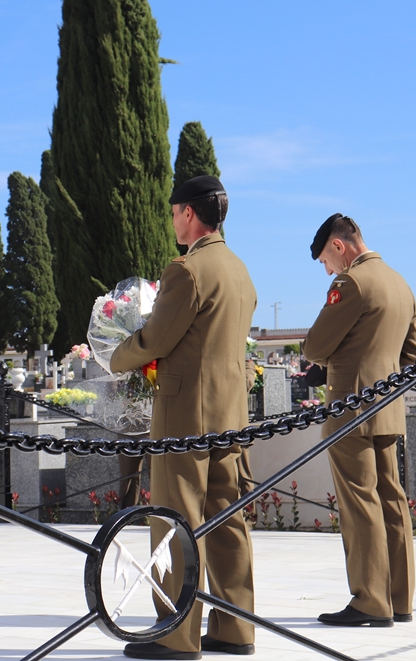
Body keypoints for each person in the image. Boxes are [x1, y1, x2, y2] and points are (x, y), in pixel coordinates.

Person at [111, 175, 257, 660]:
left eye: (175, 213)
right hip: (229, 417)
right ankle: (236, 629)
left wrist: (114, 353)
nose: (173, 221)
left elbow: (156, 338)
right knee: (226, 520)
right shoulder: (239, 270)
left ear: (189, 214)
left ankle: (176, 634)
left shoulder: (187, 271)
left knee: (175, 522)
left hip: (185, 417)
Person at [301, 214, 416, 628]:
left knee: (360, 503)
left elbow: (316, 346)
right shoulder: (399, 282)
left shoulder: (351, 282)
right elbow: (412, 353)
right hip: (387, 407)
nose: (327, 270)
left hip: (350, 407)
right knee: (391, 498)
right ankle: (399, 598)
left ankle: (370, 600)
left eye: (324, 261)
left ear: (339, 246)